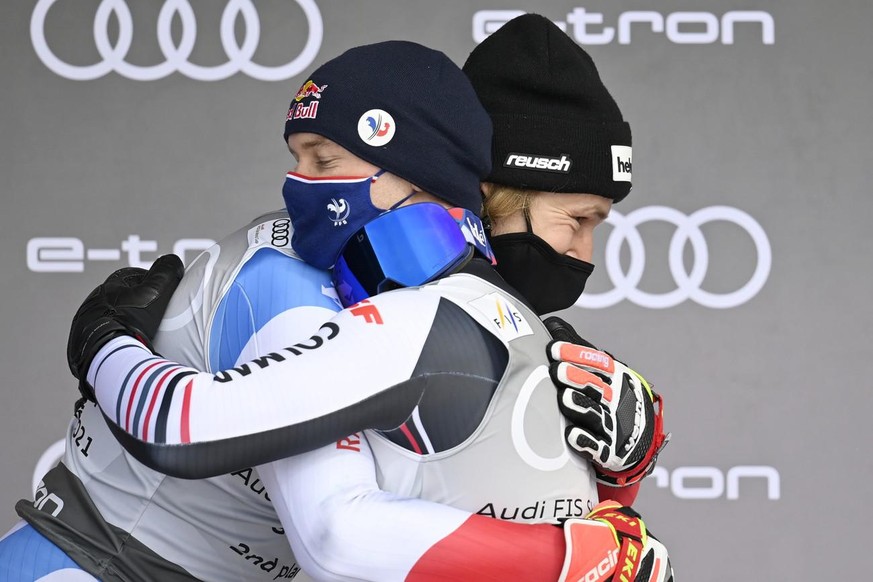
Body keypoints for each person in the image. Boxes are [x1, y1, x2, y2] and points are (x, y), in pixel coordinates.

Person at [60, 31, 670, 582]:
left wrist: (619, 477)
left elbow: (511, 511)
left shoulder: (483, 322)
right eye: (576, 220)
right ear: (482, 193)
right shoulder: (309, 282)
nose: (584, 254)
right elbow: (338, 535)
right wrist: (104, 339)